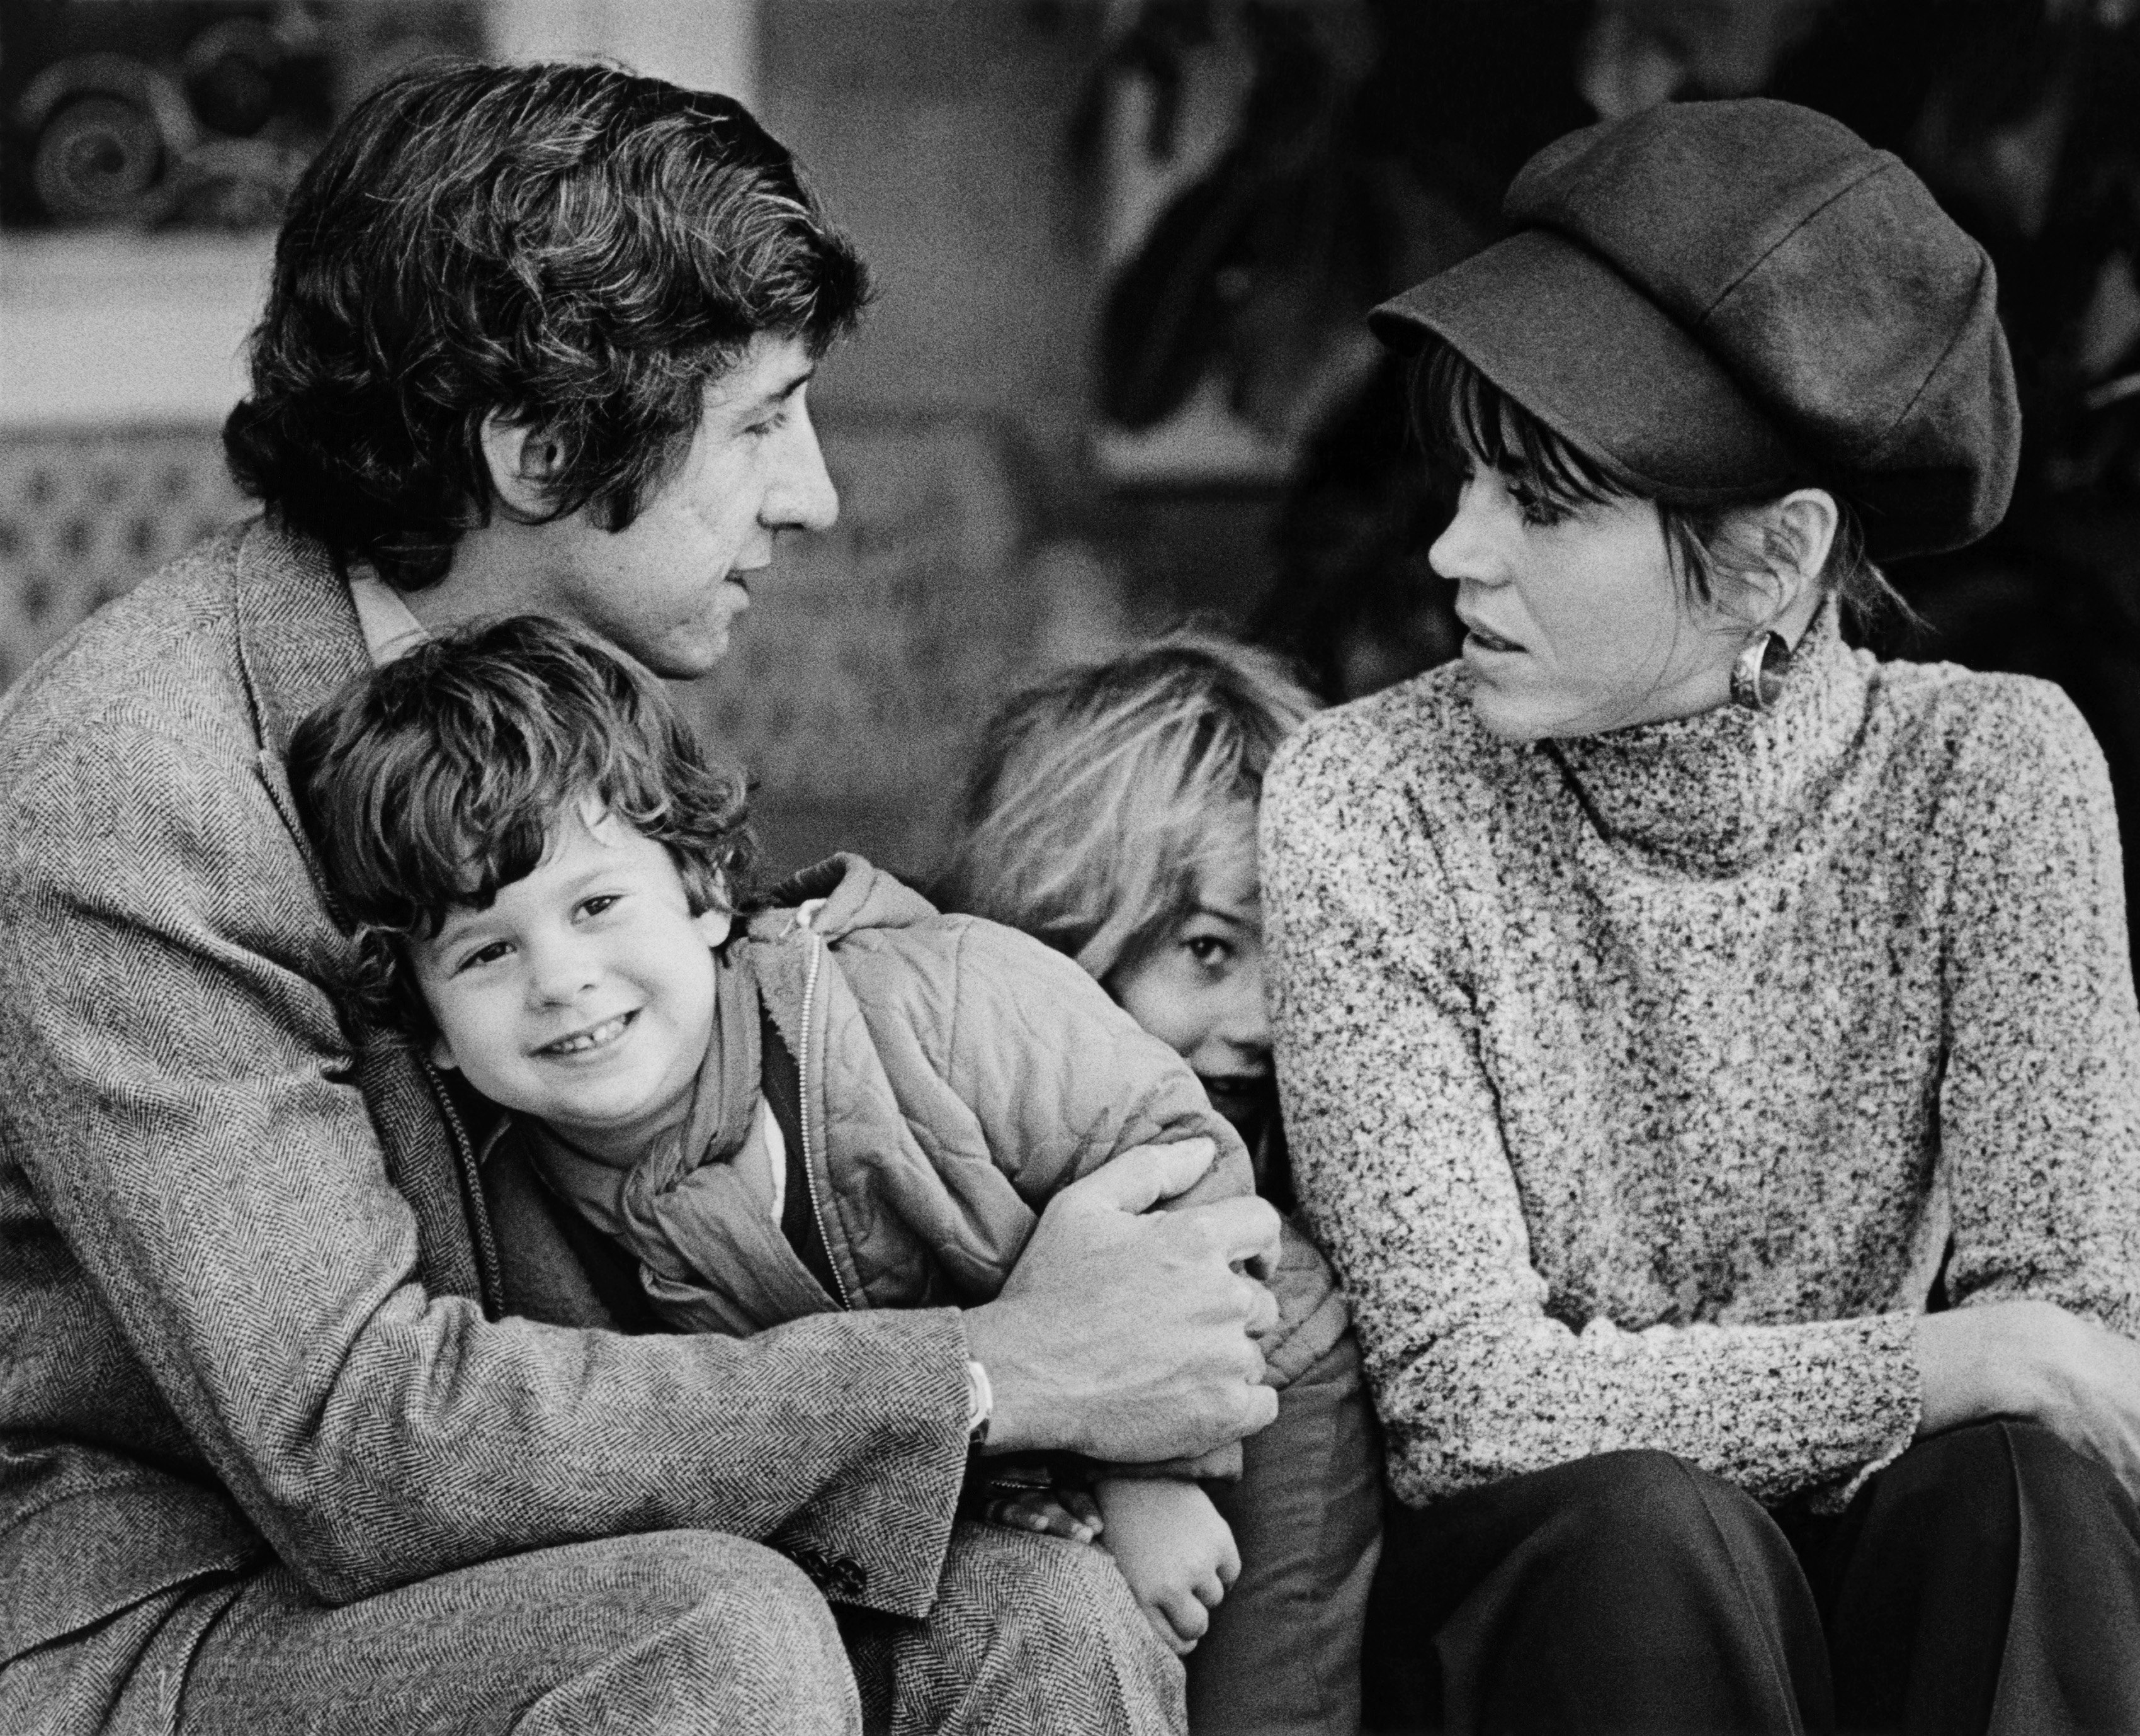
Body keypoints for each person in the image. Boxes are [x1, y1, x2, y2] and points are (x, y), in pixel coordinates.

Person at [0, 60, 1280, 1736]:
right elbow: (352, 1439)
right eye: (760, 420)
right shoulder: (132, 801)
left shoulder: (544, 703)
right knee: (715, 1633)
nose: (813, 493)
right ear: (539, 448)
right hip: (177, 1615)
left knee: (1041, 1611)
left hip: (525, 1537)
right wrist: (996, 1365)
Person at [1260, 98, 2140, 1735]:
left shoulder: (1991, 773)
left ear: (1779, 558)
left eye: (1545, 504)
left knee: (2017, 1496)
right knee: (1649, 1525)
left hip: (1907, 1602)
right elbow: (1473, 1404)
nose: (1452, 550)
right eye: (1467, 482)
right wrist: (1942, 1360)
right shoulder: (1369, 799)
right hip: (1566, 1610)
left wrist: (1992, 1378)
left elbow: (2085, 1377)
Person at [285, 612, 1352, 1672]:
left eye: (599, 903)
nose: (560, 978)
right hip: (985, 1491)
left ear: (705, 894)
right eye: (486, 953)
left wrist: (1151, 1472)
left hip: (1258, 1379)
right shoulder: (505, 1207)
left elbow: (1181, 1155)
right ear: (428, 1026)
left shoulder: (939, 1002)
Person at [938, 632, 1382, 1736]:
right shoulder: (894, 1200)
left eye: (1300, 952)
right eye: (1209, 951)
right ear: (1059, 936)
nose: (1267, 1021)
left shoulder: (1278, 1303)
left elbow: (1279, 1700)